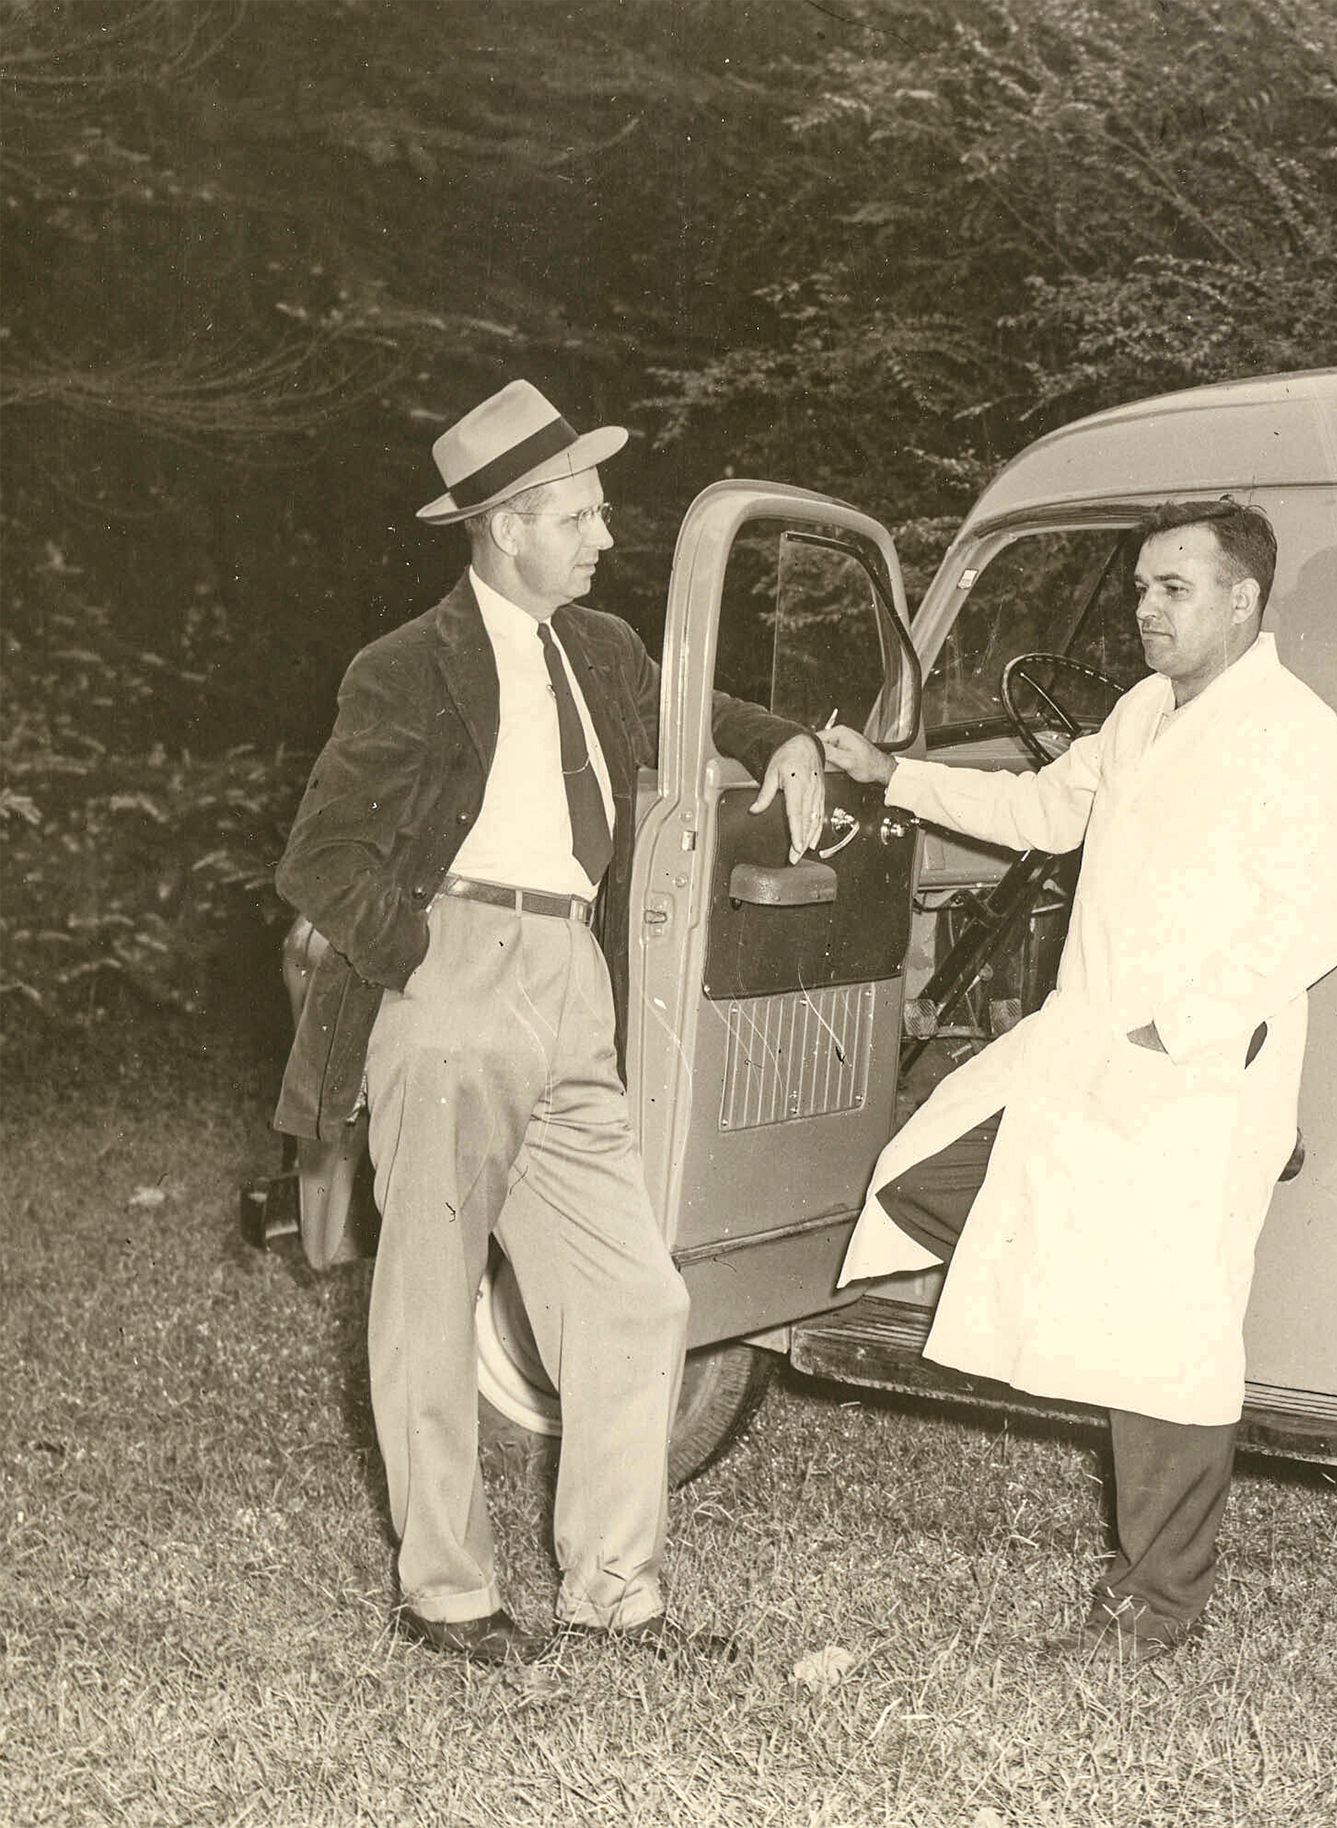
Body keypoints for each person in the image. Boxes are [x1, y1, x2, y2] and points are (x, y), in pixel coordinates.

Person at [273, 380, 828, 1665]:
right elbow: (320, 858)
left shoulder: (605, 650)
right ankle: (448, 1594)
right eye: (577, 517)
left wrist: (791, 738)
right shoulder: (407, 666)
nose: (600, 538)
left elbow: (702, 726)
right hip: (457, 972)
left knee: (635, 1295)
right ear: (506, 526)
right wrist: (424, 958)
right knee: (429, 1291)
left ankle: (615, 1590)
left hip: (576, 980)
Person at [824, 498, 1337, 1658]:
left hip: (1196, 1080)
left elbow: (1309, 920)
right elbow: (1039, 810)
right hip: (1088, 1050)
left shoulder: (1292, 732)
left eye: (1171, 589)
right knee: (918, 1176)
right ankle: (1055, 1315)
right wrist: (892, 775)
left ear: (1240, 599)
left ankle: (1154, 1609)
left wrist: (1184, 1031)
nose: (1144, 610)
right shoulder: (1139, 712)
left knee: (1168, 1338)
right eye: (1137, 590)